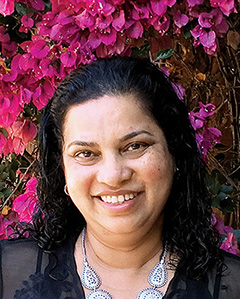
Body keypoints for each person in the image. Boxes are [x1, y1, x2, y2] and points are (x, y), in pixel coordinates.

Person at [0, 57, 240, 299]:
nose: (113, 176)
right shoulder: (7, 276)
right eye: (85, 154)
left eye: (135, 146)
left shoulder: (233, 286)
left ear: (174, 151)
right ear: (61, 168)